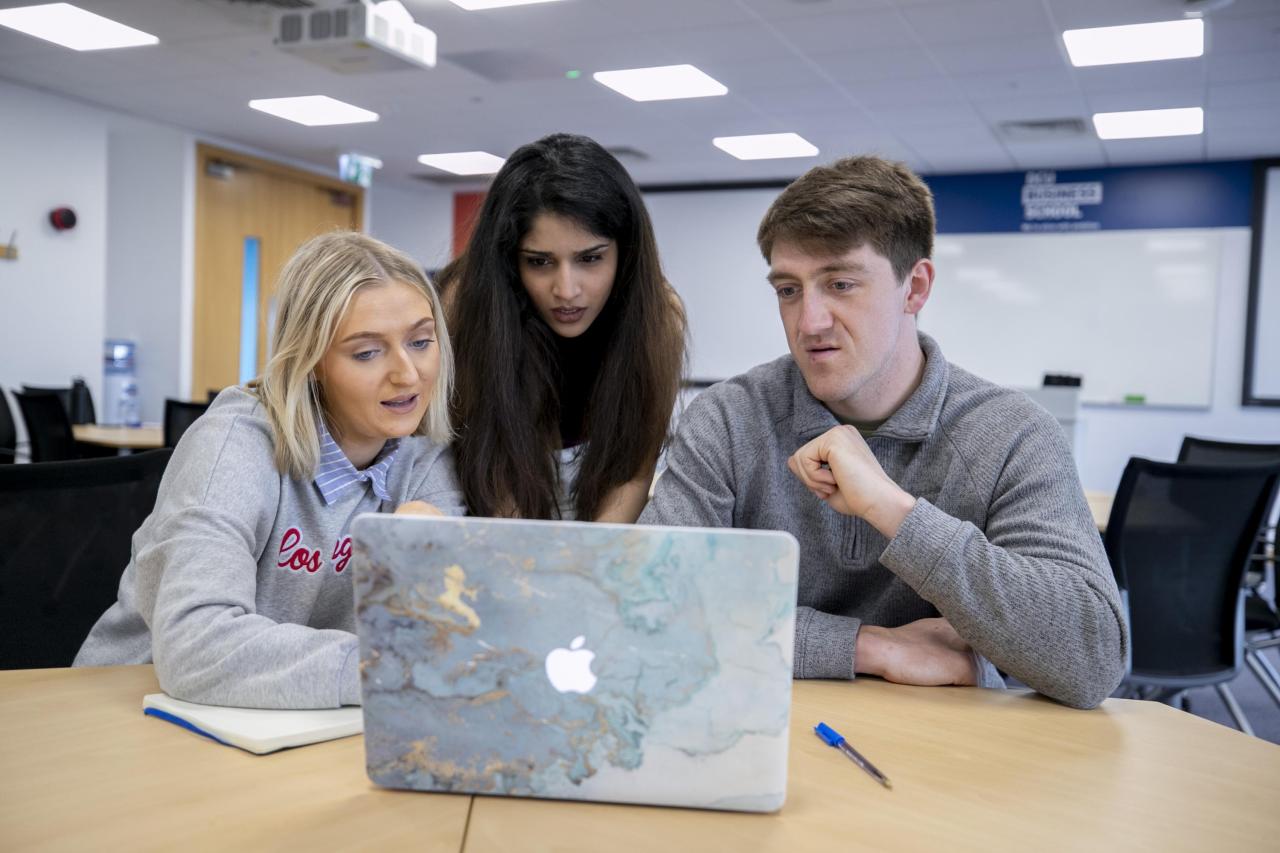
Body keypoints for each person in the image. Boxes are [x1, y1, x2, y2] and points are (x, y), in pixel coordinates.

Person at [639, 155, 1127, 710]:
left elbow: (1091, 660)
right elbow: (650, 611)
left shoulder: (1010, 434)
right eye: (789, 290)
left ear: (914, 288)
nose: (809, 321)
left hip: (956, 760)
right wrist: (871, 648)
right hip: (761, 736)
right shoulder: (728, 419)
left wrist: (896, 513)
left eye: (840, 284)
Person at [75, 232, 464, 708]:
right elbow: (195, 646)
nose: (408, 373)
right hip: (132, 709)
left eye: (421, 341)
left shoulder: (424, 457)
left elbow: (445, 640)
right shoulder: (234, 445)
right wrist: (379, 668)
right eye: (366, 352)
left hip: (296, 720)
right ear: (311, 360)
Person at [448, 133, 686, 523]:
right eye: (539, 262)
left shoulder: (659, 317)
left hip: (600, 542)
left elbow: (632, 475)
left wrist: (589, 570)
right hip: (491, 533)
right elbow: (495, 480)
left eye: (590, 258)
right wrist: (536, 575)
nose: (566, 291)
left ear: (625, 253)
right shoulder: (466, 306)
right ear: (510, 261)